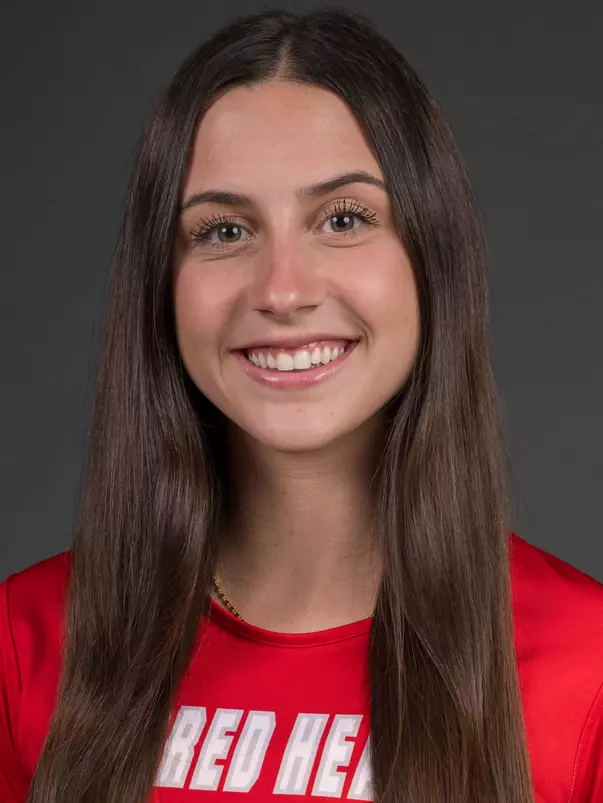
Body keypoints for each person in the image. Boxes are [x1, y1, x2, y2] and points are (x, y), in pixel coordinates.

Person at [1, 7, 602, 803]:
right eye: (221, 231)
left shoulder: (584, 664)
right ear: (160, 286)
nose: (283, 289)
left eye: (343, 219)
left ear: (430, 256)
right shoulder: (25, 644)